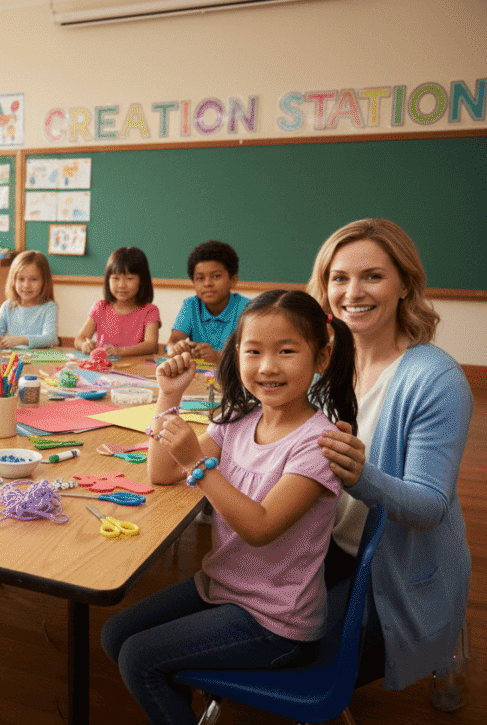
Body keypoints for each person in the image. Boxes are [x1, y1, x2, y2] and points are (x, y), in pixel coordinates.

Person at [101, 289, 357, 725]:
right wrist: (169, 397)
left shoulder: (318, 443)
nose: (267, 366)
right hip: (223, 586)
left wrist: (197, 464)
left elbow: (259, 529)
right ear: (237, 354)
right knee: (115, 635)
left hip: (276, 622)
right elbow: (161, 473)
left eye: (287, 351)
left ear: (322, 357)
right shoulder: (240, 420)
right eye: (253, 351)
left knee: (139, 659)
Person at [308, 218, 472, 706]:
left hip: (393, 567)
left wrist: (363, 477)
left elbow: (430, 506)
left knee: (304, 658)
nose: (352, 291)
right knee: (264, 628)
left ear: (405, 283)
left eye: (372, 276)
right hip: (329, 546)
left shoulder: (435, 378)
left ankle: (448, 633)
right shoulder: (326, 365)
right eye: (339, 278)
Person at [167, 240, 250, 364]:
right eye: (200, 278)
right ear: (193, 282)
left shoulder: (247, 309)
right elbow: (172, 342)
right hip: (202, 377)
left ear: (233, 280)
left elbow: (254, 353)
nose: (207, 284)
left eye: (216, 276)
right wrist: (177, 348)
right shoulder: (191, 305)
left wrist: (218, 356)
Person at [74, 246, 160, 357]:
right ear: (108, 279)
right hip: (103, 370)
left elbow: (151, 345)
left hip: (135, 370)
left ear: (142, 281)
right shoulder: (100, 306)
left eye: (129, 278)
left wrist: (121, 352)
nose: (121, 285)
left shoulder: (150, 311)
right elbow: (79, 339)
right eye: (115, 278)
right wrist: (85, 345)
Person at [0, 250, 58, 349]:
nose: (26, 285)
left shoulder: (49, 307)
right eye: (21, 279)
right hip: (14, 360)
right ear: (13, 280)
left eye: (34, 279)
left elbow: (50, 338)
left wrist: (21, 340)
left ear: (44, 281)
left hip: (40, 361)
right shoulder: (8, 306)